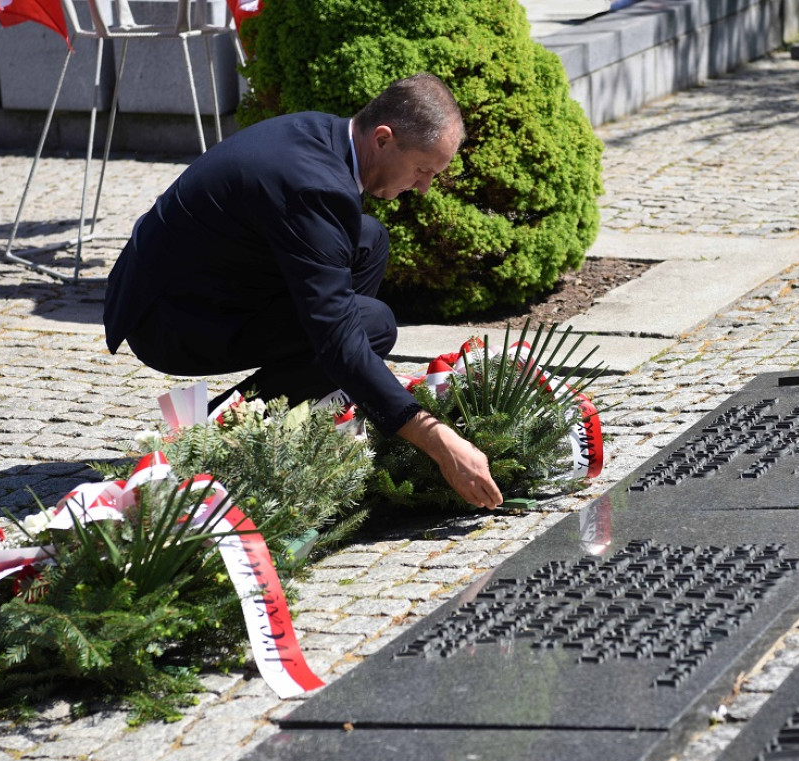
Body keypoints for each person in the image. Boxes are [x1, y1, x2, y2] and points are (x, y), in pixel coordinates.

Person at [103, 73, 503, 510]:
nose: (424, 187)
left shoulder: (326, 133)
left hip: (202, 281)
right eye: (424, 170)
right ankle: (212, 433)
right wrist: (439, 440)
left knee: (368, 241)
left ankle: (322, 394)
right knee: (370, 326)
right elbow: (340, 337)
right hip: (169, 317)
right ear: (383, 139)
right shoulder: (315, 186)